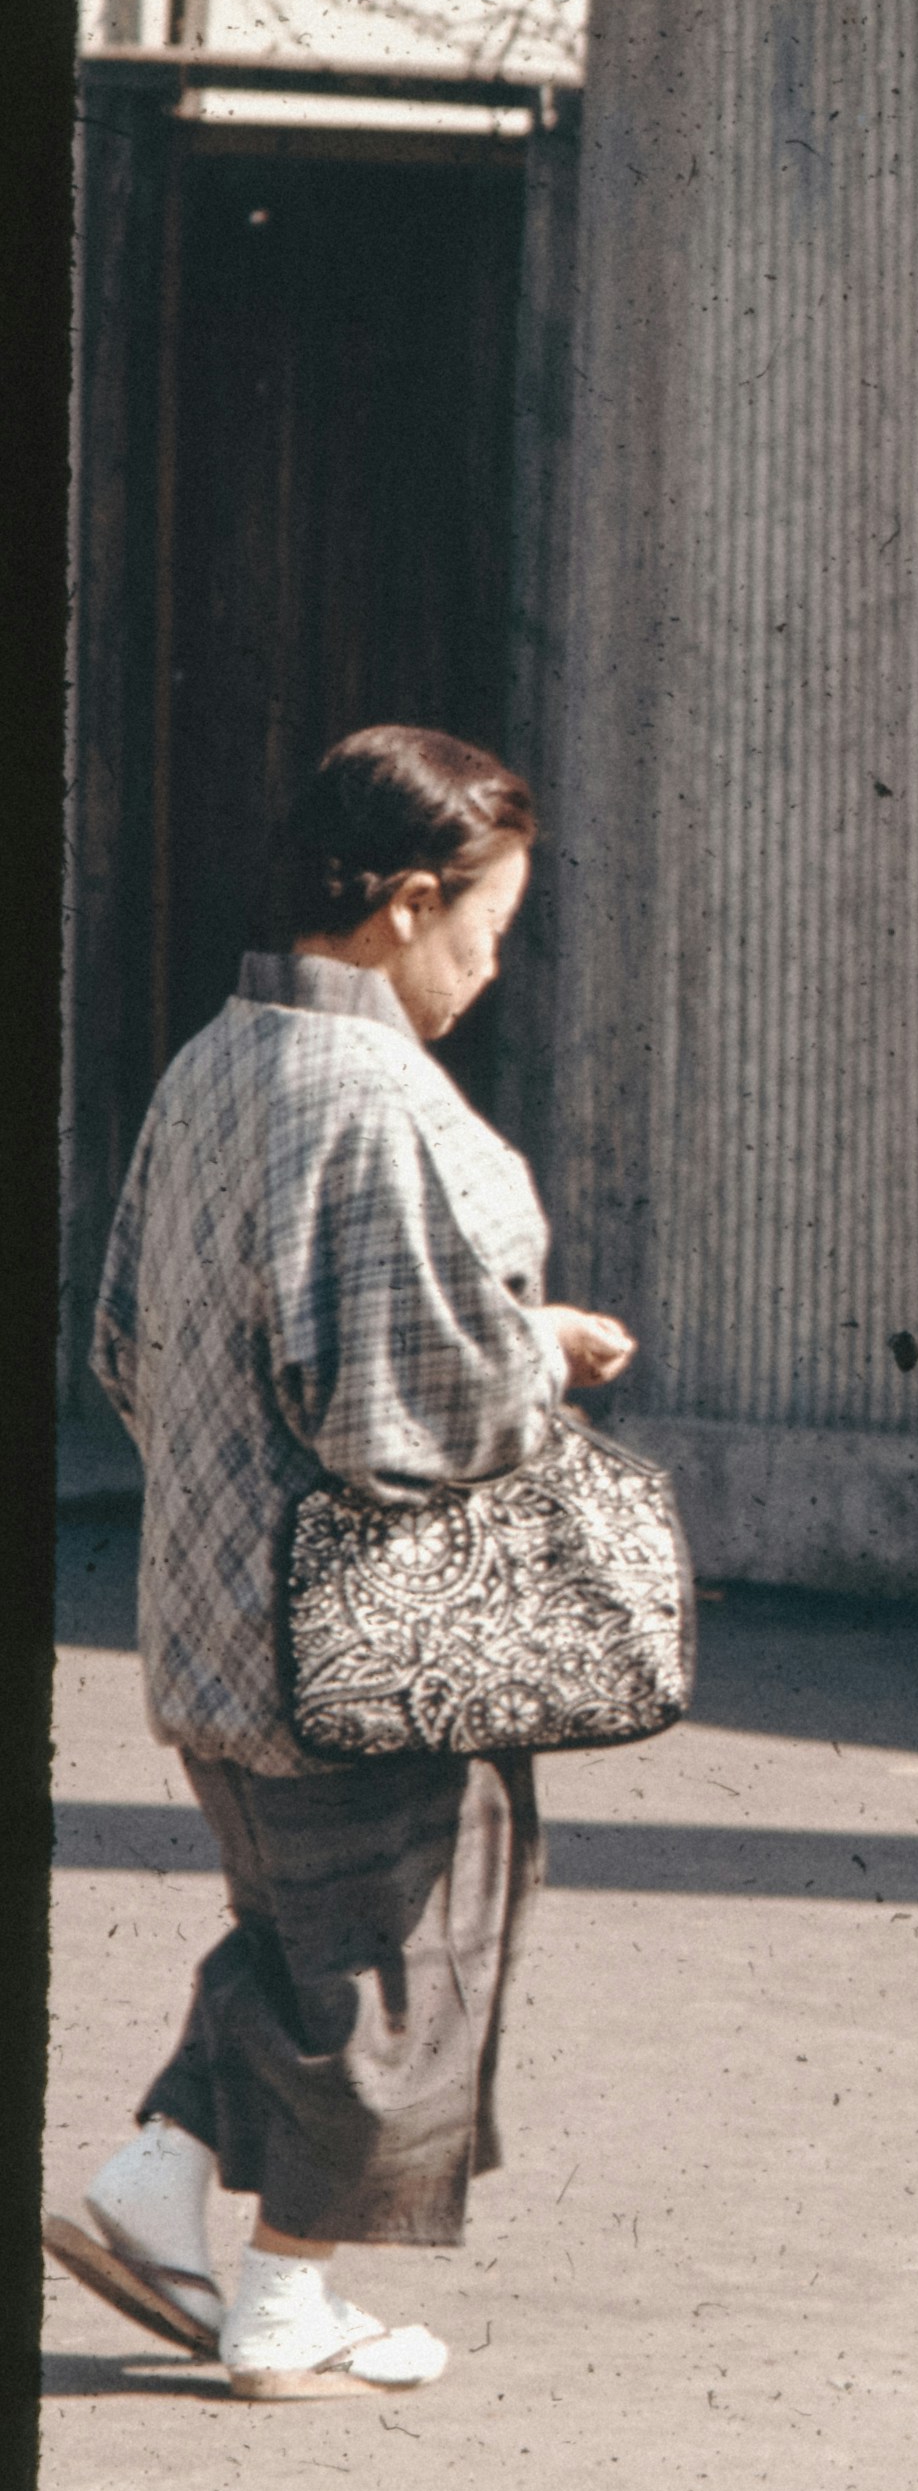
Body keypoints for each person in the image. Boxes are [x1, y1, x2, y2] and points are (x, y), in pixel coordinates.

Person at [42, 726, 639, 2403]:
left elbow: (128, 1345)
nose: (491, 967)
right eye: (488, 927)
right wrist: (539, 1359)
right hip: (361, 1641)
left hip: (212, 1613)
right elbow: (413, 1403)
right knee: (400, 1958)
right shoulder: (374, 1098)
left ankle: (158, 2179)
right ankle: (286, 2297)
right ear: (401, 903)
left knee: (303, 1933)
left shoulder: (215, 1063)